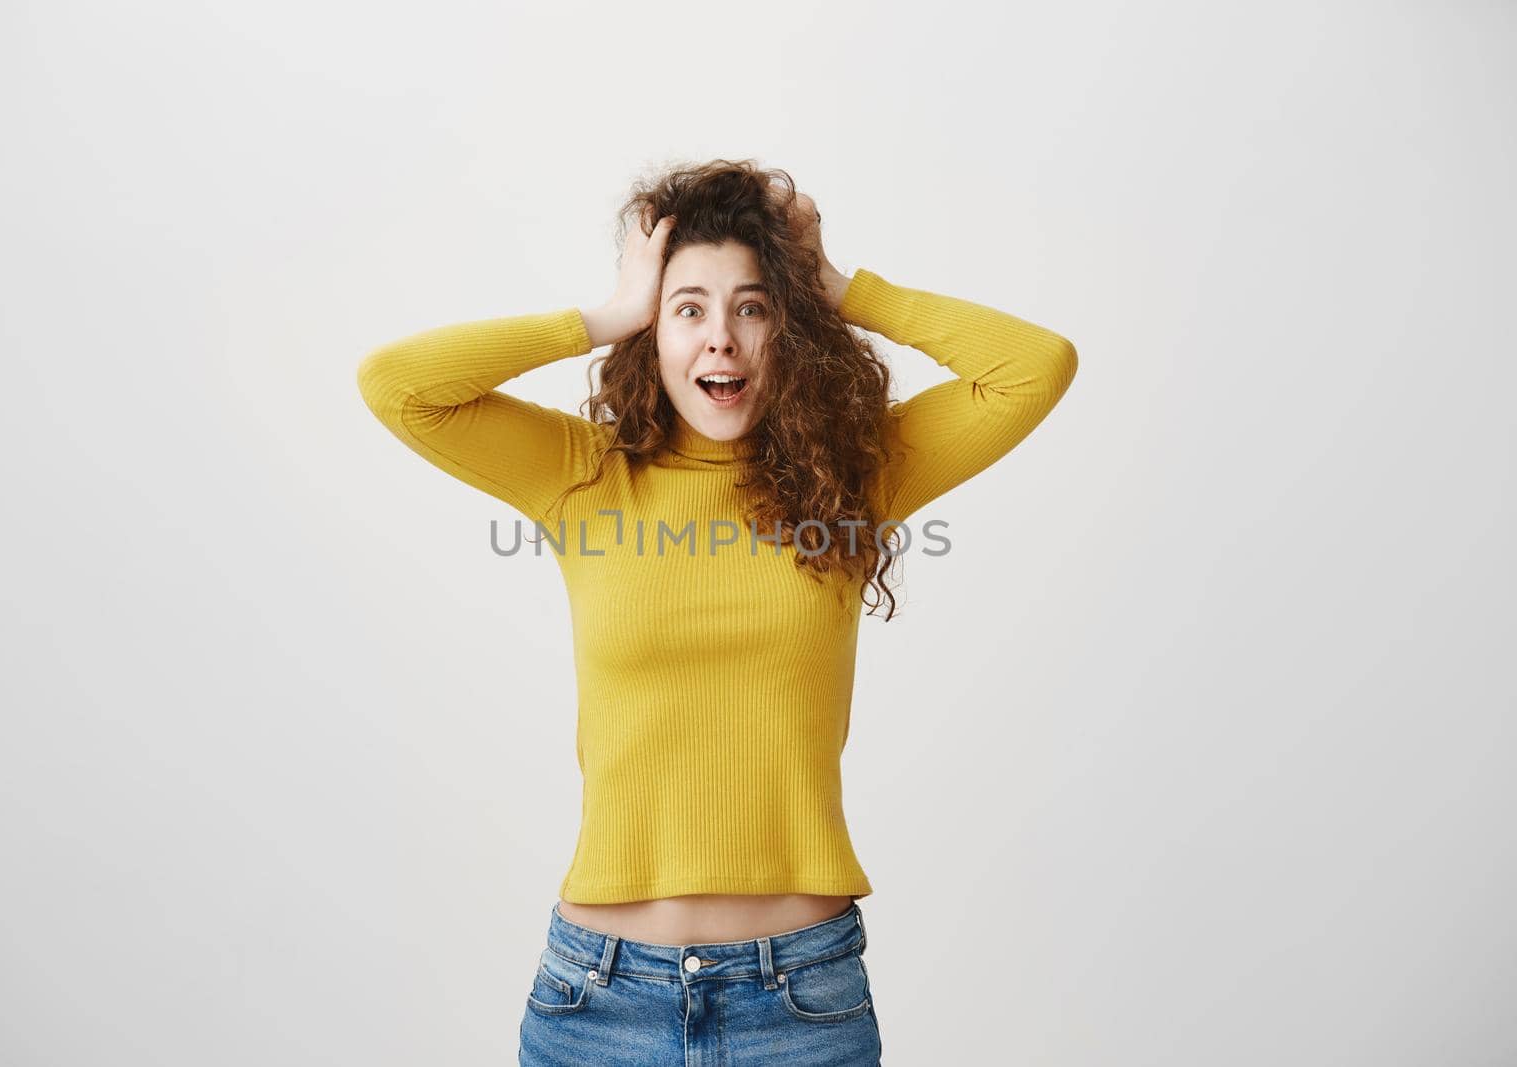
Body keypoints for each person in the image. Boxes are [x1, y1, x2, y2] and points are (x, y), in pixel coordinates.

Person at [356, 159, 1078, 1064]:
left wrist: (843, 288)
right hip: (599, 1001)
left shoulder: (853, 476)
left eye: (753, 306)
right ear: (651, 331)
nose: (722, 341)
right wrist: (605, 312)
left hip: (800, 1005)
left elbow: (1035, 368)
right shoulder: (583, 473)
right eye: (688, 308)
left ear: (789, 326)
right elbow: (397, 384)